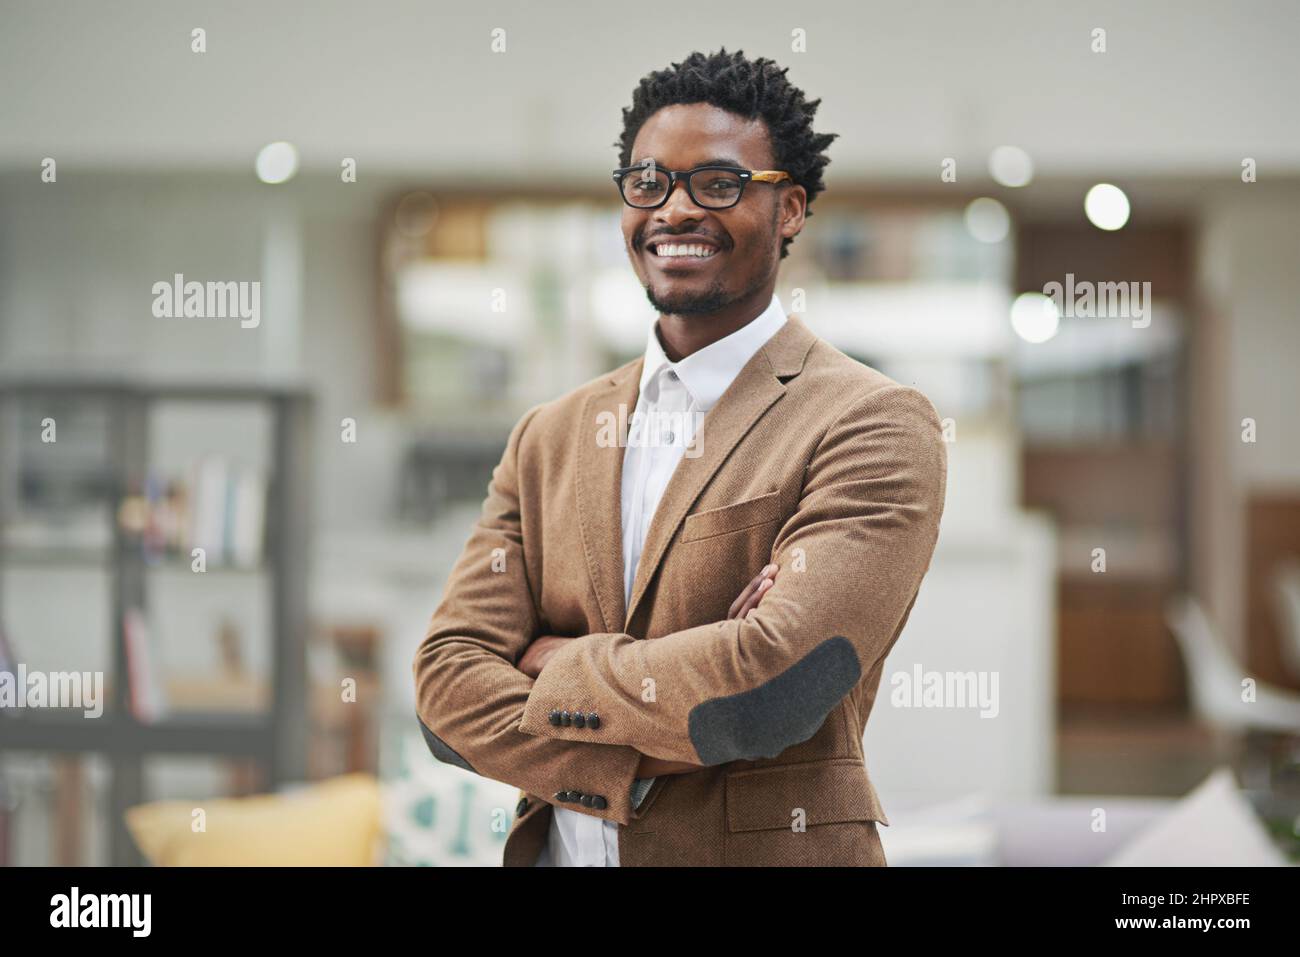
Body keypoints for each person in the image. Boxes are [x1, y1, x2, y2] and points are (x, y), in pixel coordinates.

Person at [413, 47, 947, 866]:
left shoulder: (872, 422)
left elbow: (768, 687)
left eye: (719, 184)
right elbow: (446, 683)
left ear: (792, 208)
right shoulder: (548, 436)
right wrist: (655, 719)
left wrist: (552, 663)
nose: (675, 210)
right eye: (648, 183)